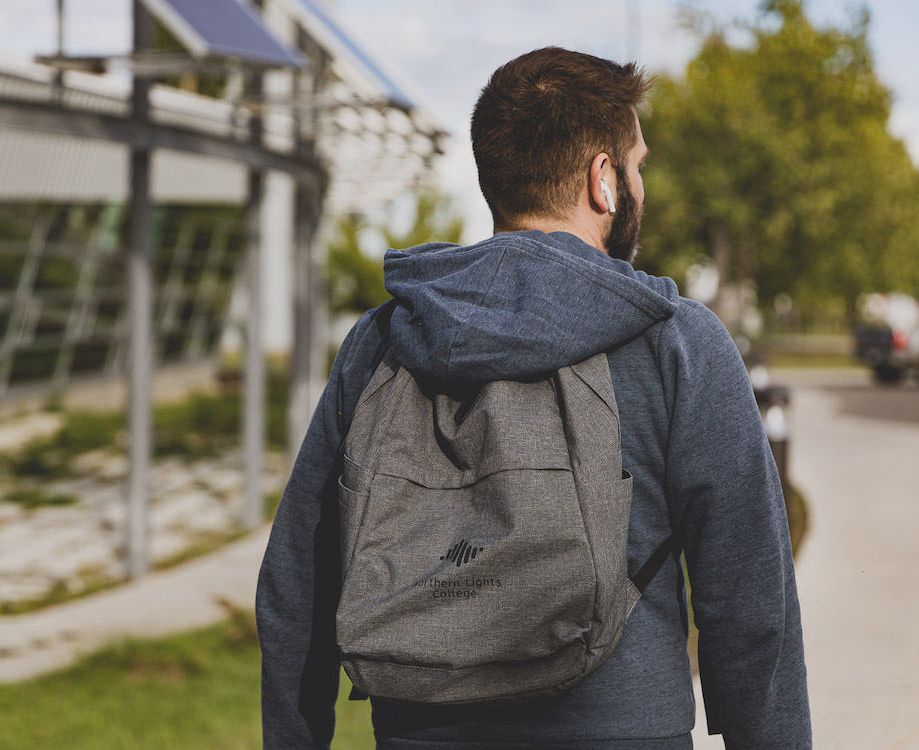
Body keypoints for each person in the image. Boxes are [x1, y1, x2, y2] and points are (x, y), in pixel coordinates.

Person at [257, 46, 811, 749]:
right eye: (636, 165)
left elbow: (296, 585)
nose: (641, 182)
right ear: (602, 180)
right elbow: (751, 605)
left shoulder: (386, 337)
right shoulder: (677, 344)